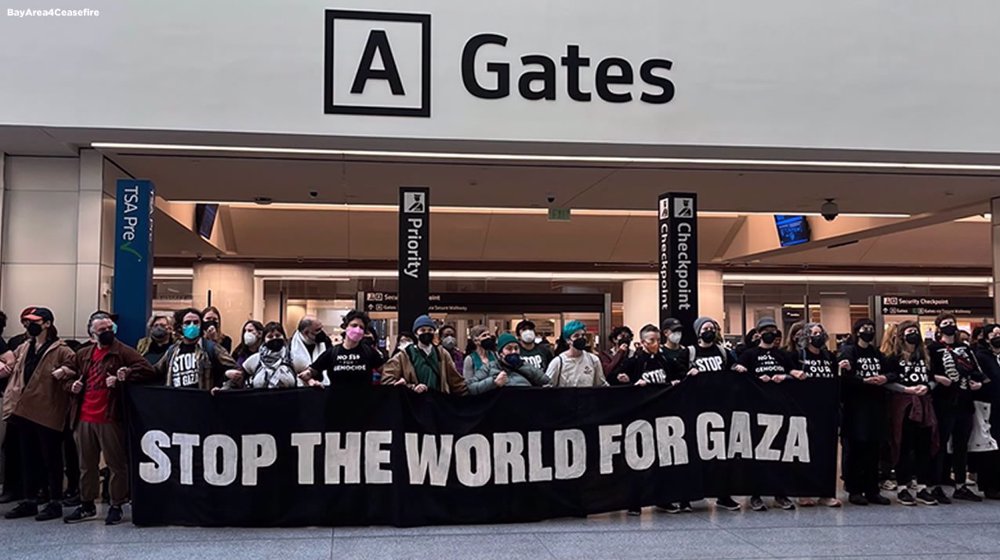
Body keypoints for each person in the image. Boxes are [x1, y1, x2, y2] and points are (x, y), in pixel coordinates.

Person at [62, 312, 155, 525]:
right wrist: (71, 386)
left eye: (109, 328)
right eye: (101, 330)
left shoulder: (122, 351)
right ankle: (87, 504)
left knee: (116, 464)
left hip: (110, 416)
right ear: (92, 335)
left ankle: (116, 503)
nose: (107, 333)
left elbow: (147, 370)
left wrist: (126, 374)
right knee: (87, 464)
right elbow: (67, 376)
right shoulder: (83, 354)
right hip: (84, 416)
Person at [2, 307, 76, 521]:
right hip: (23, 410)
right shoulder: (24, 347)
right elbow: (12, 366)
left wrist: (66, 372)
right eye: (27, 321)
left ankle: (54, 501)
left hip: (48, 410)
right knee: (27, 458)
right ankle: (30, 500)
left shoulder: (62, 350)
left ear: (47, 323)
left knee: (51, 458)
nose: (29, 325)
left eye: (34, 321)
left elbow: (75, 370)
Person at [618, 324, 689, 515]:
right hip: (640, 419)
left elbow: (680, 375)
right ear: (642, 342)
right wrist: (631, 383)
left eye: (657, 340)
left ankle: (662, 498)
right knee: (638, 460)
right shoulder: (634, 362)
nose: (655, 344)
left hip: (662, 417)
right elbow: (617, 380)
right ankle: (634, 501)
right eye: (651, 341)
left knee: (662, 460)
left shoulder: (665, 359)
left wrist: (676, 382)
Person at [738, 317, 799, 512]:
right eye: (766, 330)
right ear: (759, 333)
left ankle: (780, 493)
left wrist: (787, 376)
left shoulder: (782, 355)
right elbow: (738, 374)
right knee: (757, 452)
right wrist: (754, 377)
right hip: (757, 408)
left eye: (773, 330)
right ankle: (756, 494)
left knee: (780, 451)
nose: (770, 333)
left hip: (780, 408)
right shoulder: (749, 354)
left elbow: (795, 374)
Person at [927, 313, 986, 503]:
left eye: (952, 323)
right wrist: (936, 378)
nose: (950, 326)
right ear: (938, 328)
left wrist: (977, 383)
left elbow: (976, 371)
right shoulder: (933, 349)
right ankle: (935, 485)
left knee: (962, 446)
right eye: (945, 324)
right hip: (943, 402)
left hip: (964, 401)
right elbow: (926, 371)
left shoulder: (965, 348)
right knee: (940, 444)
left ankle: (960, 484)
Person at [838, 318, 893, 506]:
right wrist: (863, 381)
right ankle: (854, 489)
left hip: (875, 407)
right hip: (855, 408)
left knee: (873, 450)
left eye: (871, 328)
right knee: (855, 450)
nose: (868, 331)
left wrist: (884, 377)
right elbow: (845, 377)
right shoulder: (849, 351)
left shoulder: (877, 353)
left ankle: (872, 490)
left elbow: (893, 371)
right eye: (864, 328)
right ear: (857, 331)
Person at [884, 320, 939, 506]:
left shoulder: (925, 356)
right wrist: (906, 390)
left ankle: (922, 487)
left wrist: (927, 387)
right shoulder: (893, 357)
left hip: (923, 404)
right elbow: (887, 381)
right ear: (901, 336)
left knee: (923, 446)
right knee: (903, 446)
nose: (913, 335)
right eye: (909, 331)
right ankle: (902, 487)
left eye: (915, 331)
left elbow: (932, 379)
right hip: (902, 404)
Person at [790, 323, 843, 508]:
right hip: (805, 410)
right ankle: (803, 492)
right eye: (814, 333)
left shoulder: (829, 356)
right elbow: (786, 373)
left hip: (827, 410)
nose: (818, 336)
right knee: (805, 452)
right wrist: (792, 373)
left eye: (820, 333)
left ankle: (826, 493)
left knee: (827, 453)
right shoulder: (798, 356)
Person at [152, 308, 238, 390]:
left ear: (201, 326)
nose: (192, 325)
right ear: (180, 326)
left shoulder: (211, 348)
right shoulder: (172, 350)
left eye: (196, 322)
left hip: (202, 401)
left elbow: (237, 371)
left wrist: (222, 389)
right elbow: (156, 371)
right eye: (187, 322)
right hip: (176, 401)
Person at [381, 315, 468, 394]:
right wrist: (410, 387)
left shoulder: (442, 353)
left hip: (438, 403)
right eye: (422, 330)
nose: (427, 332)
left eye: (430, 330)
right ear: (416, 334)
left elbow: (455, 381)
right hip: (414, 403)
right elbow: (387, 379)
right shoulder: (405, 355)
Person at [303, 311, 385, 388]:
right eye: (354, 325)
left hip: (365, 402)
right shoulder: (332, 352)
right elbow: (308, 373)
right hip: (336, 401)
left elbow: (387, 371)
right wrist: (311, 381)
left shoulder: (369, 352)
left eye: (361, 327)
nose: (358, 329)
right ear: (346, 327)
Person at [467, 333, 548, 395]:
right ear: (501, 353)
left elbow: (546, 381)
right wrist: (493, 382)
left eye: (516, 348)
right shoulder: (489, 367)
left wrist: (523, 367)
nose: (513, 352)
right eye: (509, 349)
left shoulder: (525, 365)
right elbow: (470, 387)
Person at [972, 324, 1000, 498]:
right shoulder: (981, 356)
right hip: (990, 405)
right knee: (990, 446)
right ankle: (990, 485)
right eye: (994, 334)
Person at [228, 322, 297, 390]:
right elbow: (236, 380)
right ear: (264, 340)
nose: (274, 338)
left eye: (278, 335)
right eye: (270, 336)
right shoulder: (255, 359)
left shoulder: (292, 358)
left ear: (284, 337)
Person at [545, 321, 606, 387]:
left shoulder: (593, 360)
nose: (581, 338)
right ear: (568, 340)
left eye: (583, 335)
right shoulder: (558, 362)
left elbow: (601, 385)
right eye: (576, 336)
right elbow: (547, 387)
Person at [290, 315, 331, 385]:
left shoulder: (325, 342)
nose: (321, 332)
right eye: (317, 330)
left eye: (321, 328)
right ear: (306, 332)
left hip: (324, 385)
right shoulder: (291, 346)